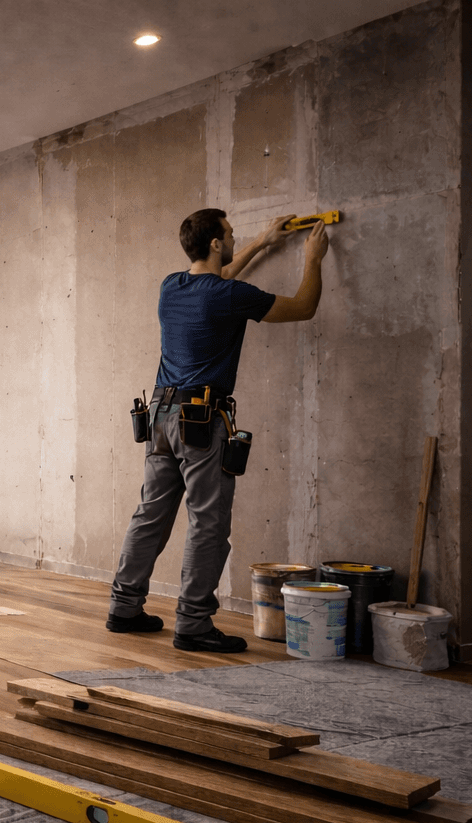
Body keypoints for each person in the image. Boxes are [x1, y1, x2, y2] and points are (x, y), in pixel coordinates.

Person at [106, 209, 329, 652]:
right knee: (207, 524)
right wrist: (313, 257)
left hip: (160, 417)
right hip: (202, 424)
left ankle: (124, 608)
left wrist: (264, 242)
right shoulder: (230, 296)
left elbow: (219, 275)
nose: (232, 238)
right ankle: (192, 625)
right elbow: (303, 307)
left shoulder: (171, 286)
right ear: (214, 242)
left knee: (149, 516)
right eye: (229, 234)